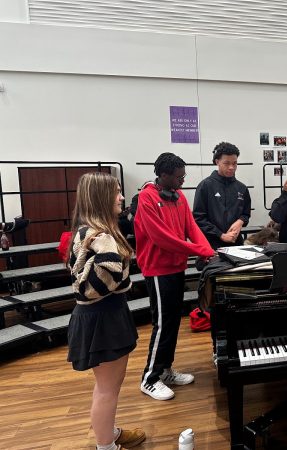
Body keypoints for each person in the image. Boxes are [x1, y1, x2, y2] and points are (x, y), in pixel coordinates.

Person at [67, 172, 145, 450]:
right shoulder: (99, 236)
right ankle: (106, 446)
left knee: (110, 385)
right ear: (100, 197)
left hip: (105, 315)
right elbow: (95, 288)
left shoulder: (91, 232)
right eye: (116, 192)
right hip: (102, 317)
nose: (122, 197)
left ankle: (109, 433)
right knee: (107, 389)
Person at [135, 153, 215, 401]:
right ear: (164, 176)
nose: (183, 180)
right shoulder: (146, 198)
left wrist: (208, 250)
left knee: (172, 322)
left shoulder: (179, 196)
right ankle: (150, 378)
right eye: (179, 176)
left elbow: (191, 227)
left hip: (176, 267)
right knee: (161, 324)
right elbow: (162, 239)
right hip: (157, 269)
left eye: (183, 175)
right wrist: (200, 250)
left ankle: (165, 370)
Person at [193, 142, 251, 249]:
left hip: (235, 244)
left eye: (234, 163)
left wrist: (240, 221)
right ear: (217, 162)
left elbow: (246, 214)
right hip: (211, 244)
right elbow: (199, 218)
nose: (231, 167)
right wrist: (221, 235)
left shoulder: (242, 188)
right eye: (226, 163)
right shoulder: (205, 186)